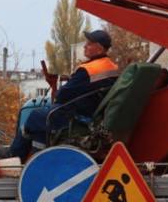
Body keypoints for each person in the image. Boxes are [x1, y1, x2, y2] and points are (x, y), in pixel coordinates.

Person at [9, 29, 120, 161]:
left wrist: (67, 85)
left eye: (89, 43)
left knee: (34, 117)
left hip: (76, 118)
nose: (85, 46)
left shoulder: (88, 70)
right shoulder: (112, 67)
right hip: (91, 114)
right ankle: (36, 157)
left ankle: (15, 156)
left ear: (100, 49)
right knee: (41, 121)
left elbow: (62, 95)